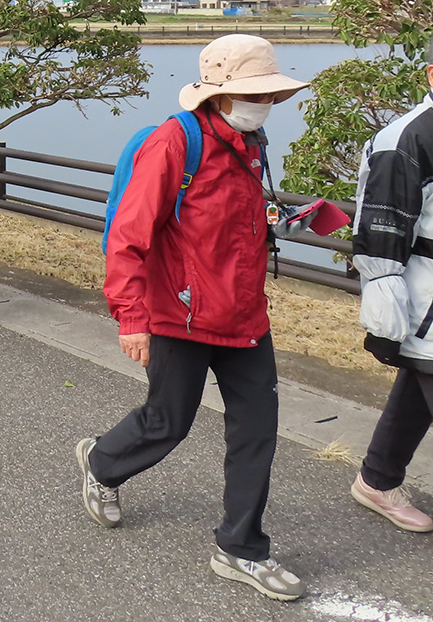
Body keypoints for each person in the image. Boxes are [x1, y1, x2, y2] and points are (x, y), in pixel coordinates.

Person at [77, 34, 311, 601]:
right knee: (168, 421)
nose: (267, 104)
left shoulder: (250, 143)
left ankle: (240, 547)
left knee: (257, 429)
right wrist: (131, 317)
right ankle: (103, 463)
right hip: (177, 314)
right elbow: (129, 237)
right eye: (257, 94)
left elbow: (233, 223)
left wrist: (290, 217)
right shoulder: (173, 144)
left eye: (272, 95)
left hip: (245, 316)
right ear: (219, 94)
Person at [348, 38, 433, 535]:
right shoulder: (406, 140)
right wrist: (386, 318)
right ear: (429, 74)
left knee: (418, 389)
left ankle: (377, 479)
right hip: (425, 295)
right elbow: (381, 238)